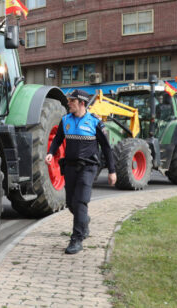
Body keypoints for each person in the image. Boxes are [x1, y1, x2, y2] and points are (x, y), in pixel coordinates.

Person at [45, 89, 116, 255]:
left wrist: (112, 171)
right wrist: (50, 152)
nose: (68, 103)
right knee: (71, 203)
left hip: (88, 167)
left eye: (72, 101)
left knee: (80, 202)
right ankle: (83, 221)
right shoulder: (66, 121)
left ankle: (77, 239)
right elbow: (58, 139)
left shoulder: (95, 122)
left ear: (82, 103)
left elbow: (106, 147)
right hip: (70, 167)